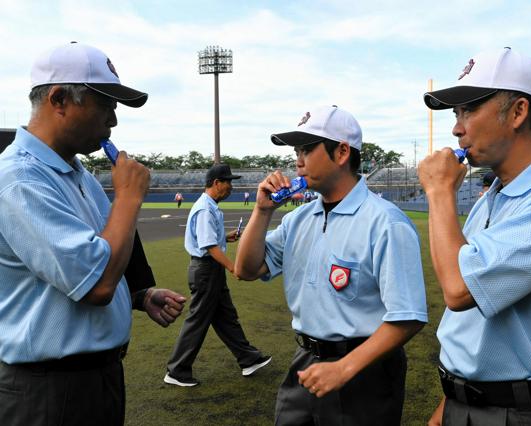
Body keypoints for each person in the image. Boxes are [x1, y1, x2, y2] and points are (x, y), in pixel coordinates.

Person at [0, 42, 186, 425]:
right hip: (49, 391)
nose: (113, 121)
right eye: (105, 105)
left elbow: (101, 251)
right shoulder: (20, 179)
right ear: (59, 99)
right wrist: (129, 198)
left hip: (97, 377)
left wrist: (137, 294)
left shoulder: (78, 173)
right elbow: (98, 285)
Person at [418, 47, 531, 425]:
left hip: (518, 413)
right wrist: (450, 402)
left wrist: (440, 192)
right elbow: (476, 329)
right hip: (466, 403)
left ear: (519, 112)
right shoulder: (497, 193)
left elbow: (458, 290)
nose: (457, 127)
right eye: (456, 113)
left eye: (469, 109)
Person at [235, 105, 428, 425]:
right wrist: (262, 211)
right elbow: (246, 269)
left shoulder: (385, 222)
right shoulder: (298, 219)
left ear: (341, 152)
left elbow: (408, 317)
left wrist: (344, 368)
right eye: (296, 150)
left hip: (366, 371)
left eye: (307, 149)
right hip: (307, 360)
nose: (297, 160)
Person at [164, 164, 271, 387]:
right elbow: (209, 246)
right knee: (198, 321)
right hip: (206, 270)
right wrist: (234, 267)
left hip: (209, 270)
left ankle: (248, 359)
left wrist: (227, 237)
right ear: (216, 183)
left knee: (226, 317)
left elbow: (211, 240)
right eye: (228, 182)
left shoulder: (209, 206)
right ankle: (176, 370)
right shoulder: (205, 208)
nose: (231, 187)